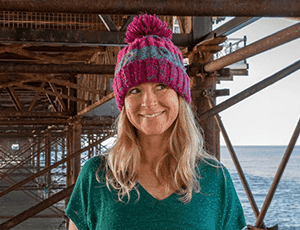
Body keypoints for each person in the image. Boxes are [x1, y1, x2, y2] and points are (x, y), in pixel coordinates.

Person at [65, 14, 247, 230]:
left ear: (180, 96)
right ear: (123, 103)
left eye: (161, 86)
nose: (148, 102)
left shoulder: (216, 178)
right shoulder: (97, 175)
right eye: (135, 90)